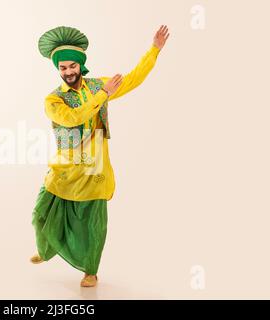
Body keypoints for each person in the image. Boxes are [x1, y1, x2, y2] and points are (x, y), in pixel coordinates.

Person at [31, 25, 170, 287]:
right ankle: (47, 249)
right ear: (58, 70)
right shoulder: (54, 99)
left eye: (72, 66)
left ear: (80, 65)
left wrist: (154, 50)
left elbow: (132, 79)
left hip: (95, 168)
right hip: (65, 168)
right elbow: (72, 119)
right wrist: (102, 96)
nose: (68, 72)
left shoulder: (98, 85)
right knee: (40, 214)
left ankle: (91, 271)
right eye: (63, 68)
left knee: (92, 224)